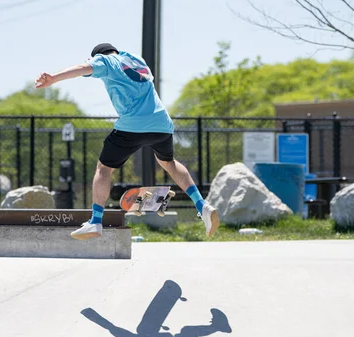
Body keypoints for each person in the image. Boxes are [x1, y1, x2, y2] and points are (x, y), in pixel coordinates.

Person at [35, 43, 219, 240]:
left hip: (132, 125)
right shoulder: (135, 60)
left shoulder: (105, 60)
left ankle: (96, 221)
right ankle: (203, 206)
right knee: (169, 163)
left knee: (103, 169)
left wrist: (54, 78)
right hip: (161, 124)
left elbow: (82, 69)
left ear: (97, 56)